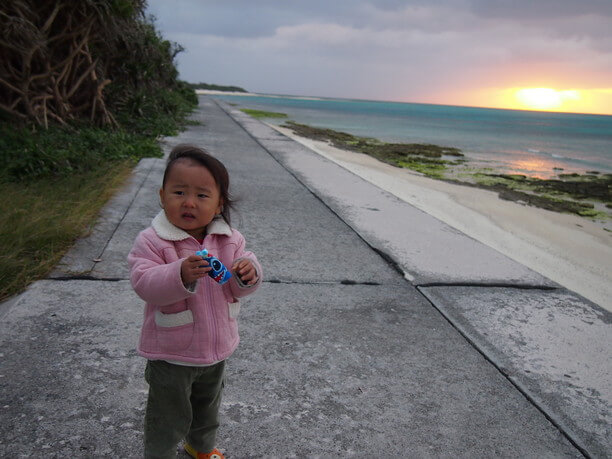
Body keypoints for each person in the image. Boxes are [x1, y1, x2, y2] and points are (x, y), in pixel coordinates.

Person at [128, 144, 262, 459]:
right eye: (179, 192)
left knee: (208, 408)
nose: (189, 202)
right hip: (172, 353)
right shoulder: (153, 241)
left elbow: (239, 287)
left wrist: (248, 273)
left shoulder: (231, 239)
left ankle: (199, 448)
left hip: (217, 348)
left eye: (202, 195)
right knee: (167, 415)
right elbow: (144, 283)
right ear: (162, 196)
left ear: (218, 205)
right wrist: (179, 274)